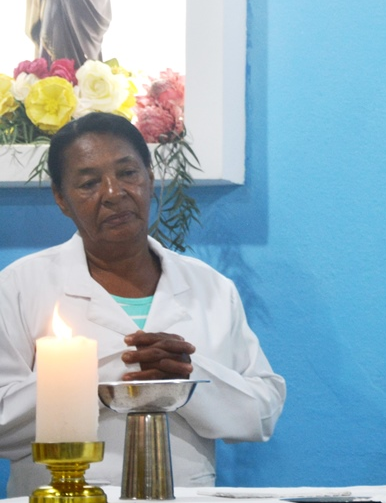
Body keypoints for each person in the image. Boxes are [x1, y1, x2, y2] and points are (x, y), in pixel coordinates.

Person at [0, 113, 286, 497]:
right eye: (88, 183)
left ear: (150, 178)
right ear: (61, 198)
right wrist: (92, 373)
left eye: (128, 173)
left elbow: (261, 415)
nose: (113, 193)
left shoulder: (211, 288)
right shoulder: (20, 286)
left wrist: (184, 376)